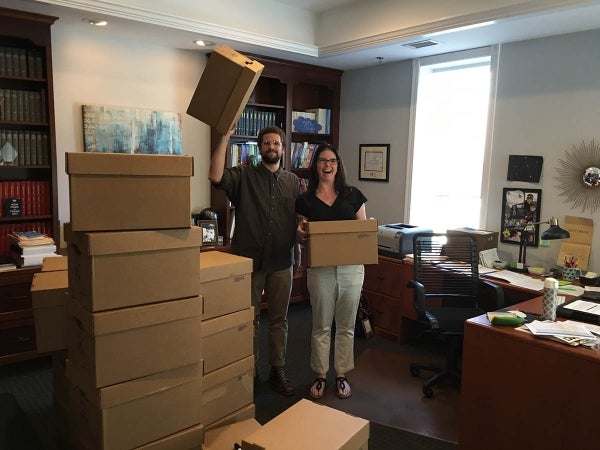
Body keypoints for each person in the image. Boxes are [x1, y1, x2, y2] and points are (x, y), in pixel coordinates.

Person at [208, 125, 300, 396]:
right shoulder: (244, 175)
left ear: (283, 149)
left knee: (279, 319)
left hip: (282, 261)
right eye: (267, 143)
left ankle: (277, 370)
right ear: (260, 148)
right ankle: (249, 370)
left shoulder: (294, 182)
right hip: (249, 261)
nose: (272, 147)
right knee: (248, 319)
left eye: (277, 143)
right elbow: (214, 175)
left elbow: (299, 219)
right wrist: (224, 136)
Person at [295, 143, 368, 400]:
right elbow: (302, 236)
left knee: (346, 326)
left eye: (333, 161)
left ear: (339, 165)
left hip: (350, 270)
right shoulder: (305, 200)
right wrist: (300, 234)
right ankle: (320, 375)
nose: (328, 165)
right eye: (323, 161)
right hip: (320, 270)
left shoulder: (353, 195)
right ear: (316, 165)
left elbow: (364, 233)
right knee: (321, 325)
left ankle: (341, 374)